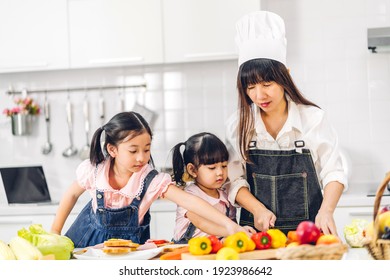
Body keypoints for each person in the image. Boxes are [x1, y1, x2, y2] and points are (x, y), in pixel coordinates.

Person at [225, 11, 348, 236]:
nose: (259, 95)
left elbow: (334, 172)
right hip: (257, 236)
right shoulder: (237, 125)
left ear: (285, 76)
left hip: (308, 234)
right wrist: (257, 209)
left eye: (267, 84)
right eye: (250, 87)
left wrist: (326, 211)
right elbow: (234, 180)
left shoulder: (312, 118)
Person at [51, 112, 249, 248]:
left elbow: (190, 201)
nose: (141, 157)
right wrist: (54, 232)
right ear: (113, 150)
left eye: (146, 149)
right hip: (85, 245)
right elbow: (71, 194)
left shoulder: (150, 179)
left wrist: (231, 226)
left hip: (128, 254)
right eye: (133, 150)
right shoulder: (94, 171)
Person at [171, 132, 255, 243]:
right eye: (212, 168)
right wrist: (234, 231)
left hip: (214, 247)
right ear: (192, 170)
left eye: (224, 166)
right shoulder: (189, 195)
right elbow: (202, 223)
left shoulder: (225, 194)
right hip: (187, 249)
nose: (220, 172)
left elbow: (231, 223)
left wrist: (240, 231)